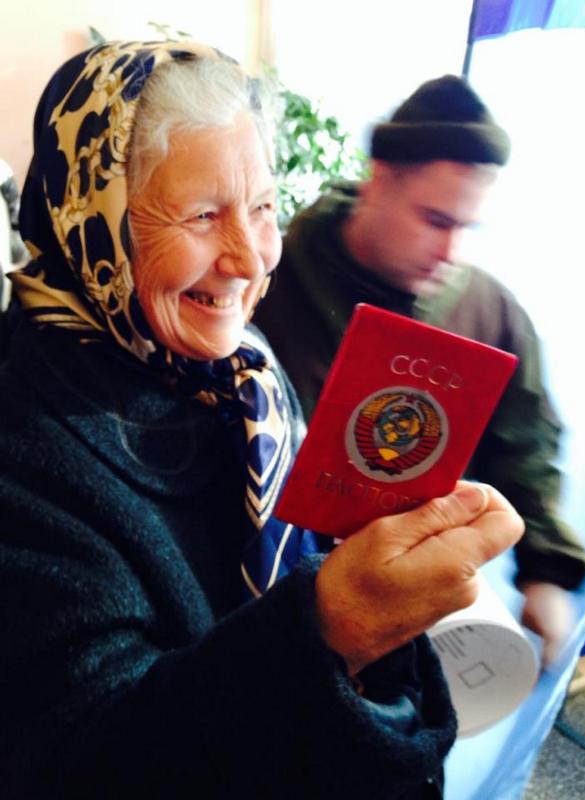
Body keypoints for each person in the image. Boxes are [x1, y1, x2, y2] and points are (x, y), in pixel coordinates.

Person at [0, 42, 525, 799]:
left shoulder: (243, 369)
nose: (249, 259)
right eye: (202, 215)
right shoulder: (24, 448)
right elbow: (79, 767)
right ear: (94, 219)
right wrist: (330, 629)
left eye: (263, 207)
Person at [254, 74, 585, 666]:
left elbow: (527, 443)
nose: (452, 253)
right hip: (274, 595)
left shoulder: (489, 308)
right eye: (437, 221)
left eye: (468, 228)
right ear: (379, 179)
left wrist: (545, 570)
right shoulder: (267, 283)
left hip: (423, 608)